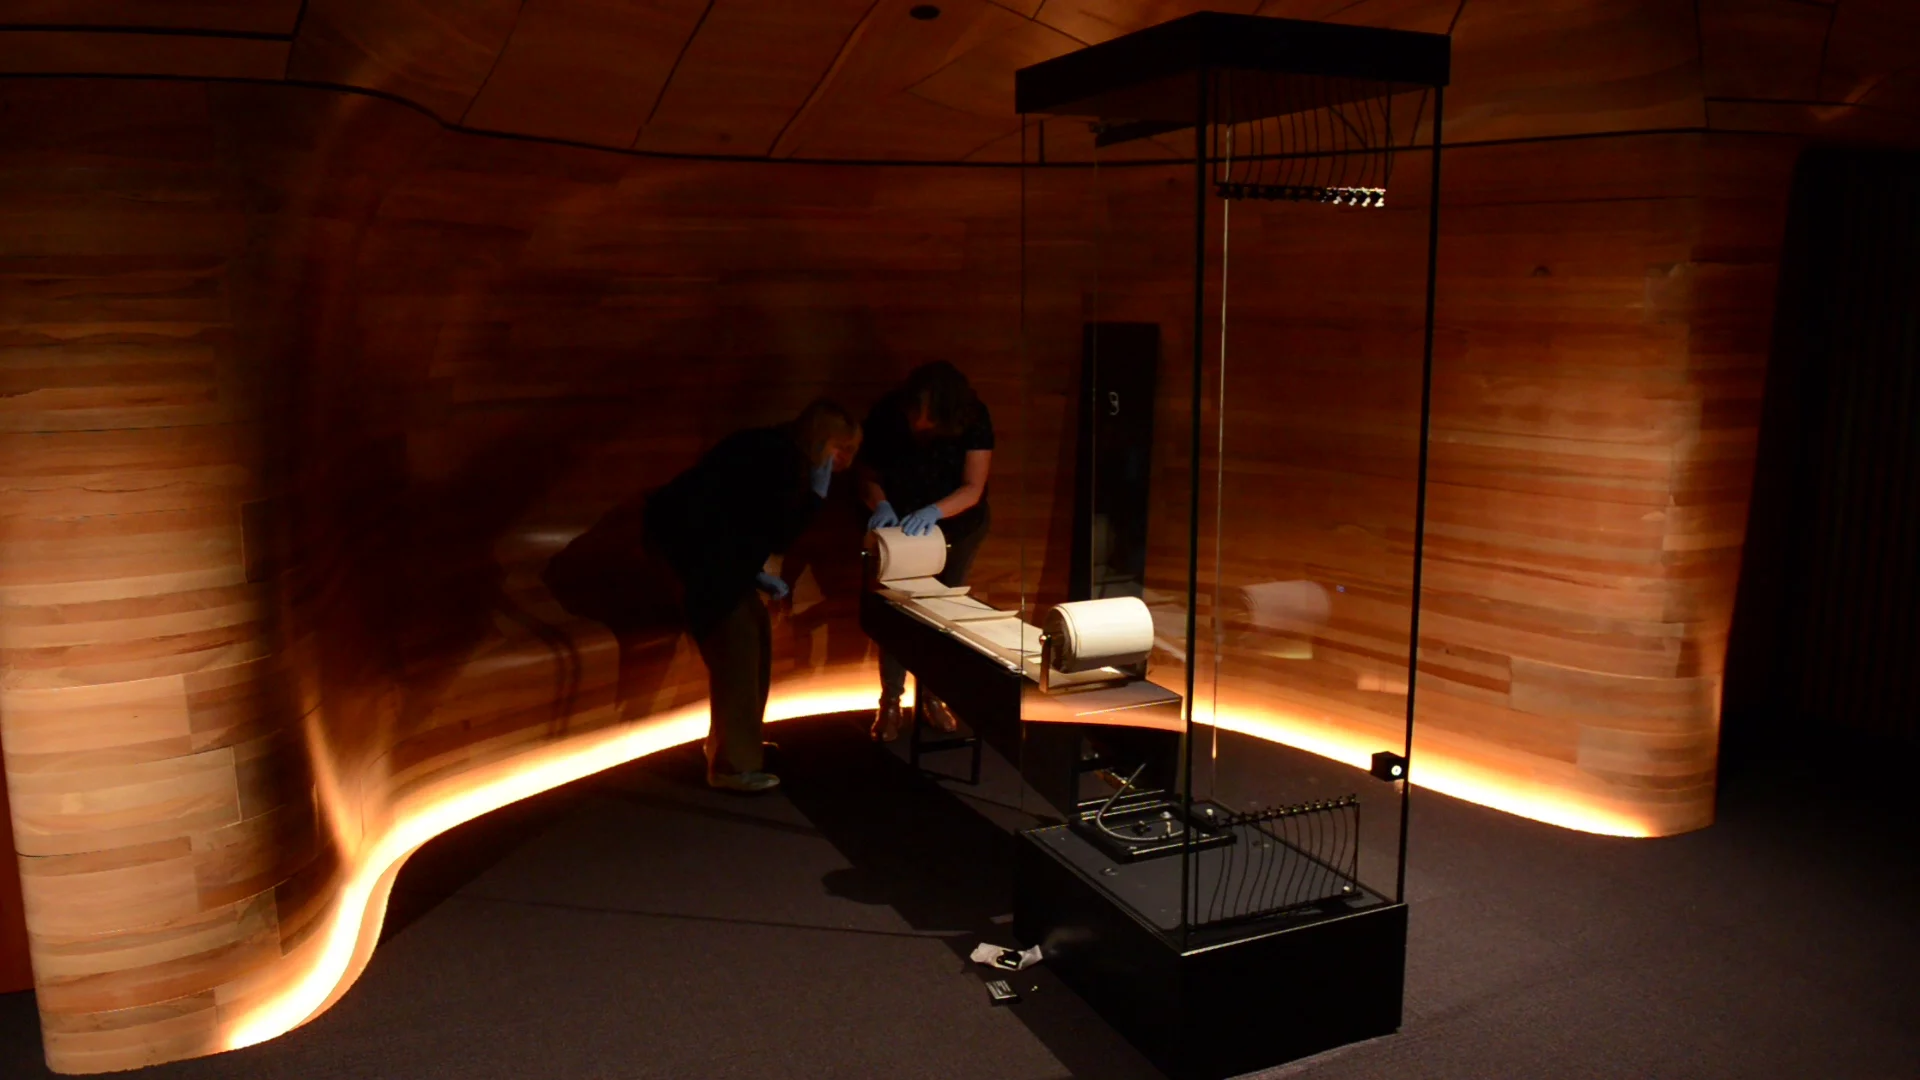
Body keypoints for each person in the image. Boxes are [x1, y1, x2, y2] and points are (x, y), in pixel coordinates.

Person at [644, 400, 862, 792]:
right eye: (840, 448)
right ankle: (732, 765)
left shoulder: (771, 447)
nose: (843, 458)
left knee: (751, 639)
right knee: (739, 652)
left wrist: (756, 573)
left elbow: (740, 522)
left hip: (708, 554)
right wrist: (815, 497)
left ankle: (730, 745)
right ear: (822, 440)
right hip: (700, 559)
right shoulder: (782, 462)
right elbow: (776, 532)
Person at [857, 362, 994, 742]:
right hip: (896, 530)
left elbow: (973, 487)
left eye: (928, 416)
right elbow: (866, 473)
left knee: (940, 616)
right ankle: (890, 700)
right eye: (915, 412)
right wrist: (880, 505)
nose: (919, 422)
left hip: (956, 526)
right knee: (896, 612)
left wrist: (935, 511)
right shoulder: (889, 412)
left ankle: (933, 696)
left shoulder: (973, 417)